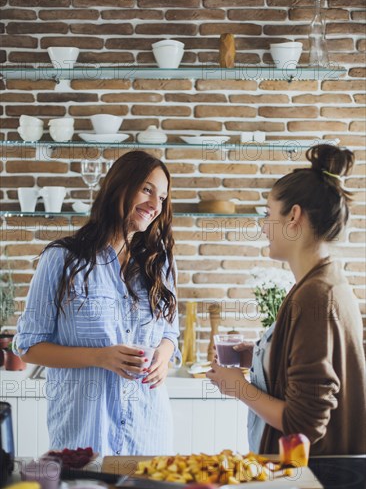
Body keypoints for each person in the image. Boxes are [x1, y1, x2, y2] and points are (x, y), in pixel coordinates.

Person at [14, 150, 181, 457]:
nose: (155, 205)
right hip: (84, 437)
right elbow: (28, 346)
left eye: (162, 197)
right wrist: (100, 357)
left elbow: (170, 333)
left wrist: (164, 356)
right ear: (119, 187)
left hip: (148, 430)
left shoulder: (160, 263)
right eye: (147, 189)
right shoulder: (62, 260)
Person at [207, 144, 366, 455]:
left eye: (268, 214)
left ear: (294, 216)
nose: (264, 226)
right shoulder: (320, 282)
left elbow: (303, 423)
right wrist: (254, 356)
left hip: (316, 483)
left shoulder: (316, 296)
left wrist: (237, 387)